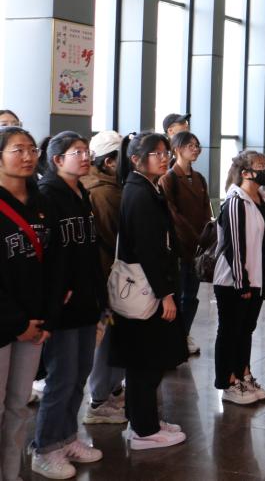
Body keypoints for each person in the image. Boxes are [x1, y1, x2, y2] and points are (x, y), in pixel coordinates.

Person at [32, 132, 105, 477]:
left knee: (79, 373)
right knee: (61, 377)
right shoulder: (47, 194)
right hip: (63, 302)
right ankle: (45, 448)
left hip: (87, 297)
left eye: (87, 151)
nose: (86, 156)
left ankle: (67, 438)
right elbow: (46, 252)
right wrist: (55, 292)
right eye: (77, 152)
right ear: (57, 159)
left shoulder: (82, 193)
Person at [110, 132, 188, 450]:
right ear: (135, 159)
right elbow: (149, 250)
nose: (164, 158)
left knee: (145, 360)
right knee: (146, 362)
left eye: (165, 152)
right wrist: (165, 294)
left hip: (148, 285)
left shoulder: (146, 188)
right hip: (146, 289)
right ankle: (144, 430)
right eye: (157, 153)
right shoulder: (139, 193)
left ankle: (142, 421)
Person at [0, 126, 56, 479]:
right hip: (6, 324)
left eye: (32, 149)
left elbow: (53, 264)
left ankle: (12, 473)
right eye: (17, 150)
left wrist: (46, 317)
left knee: (19, 406)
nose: (27, 156)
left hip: (35, 322)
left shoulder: (41, 202)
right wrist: (17, 323)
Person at [213, 150, 265, 405]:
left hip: (256, 278)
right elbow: (234, 246)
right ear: (245, 173)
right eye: (261, 166)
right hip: (233, 280)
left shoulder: (263, 198)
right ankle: (228, 382)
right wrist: (242, 283)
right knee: (230, 331)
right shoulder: (235, 201)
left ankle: (243, 373)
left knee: (245, 330)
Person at [82, 131, 127, 426]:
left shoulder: (96, 186)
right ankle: (99, 400)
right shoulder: (105, 192)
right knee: (107, 337)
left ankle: (109, 391)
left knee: (110, 336)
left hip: (104, 274)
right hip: (108, 274)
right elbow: (116, 237)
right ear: (110, 162)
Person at [158, 132, 212, 358]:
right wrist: (195, 236)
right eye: (190, 145)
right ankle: (173, 339)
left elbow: (206, 209)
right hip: (181, 248)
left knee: (191, 296)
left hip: (198, 249)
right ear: (177, 149)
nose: (196, 149)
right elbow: (173, 215)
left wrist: (206, 235)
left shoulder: (199, 178)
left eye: (197, 145)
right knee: (179, 296)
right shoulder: (168, 179)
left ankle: (184, 334)